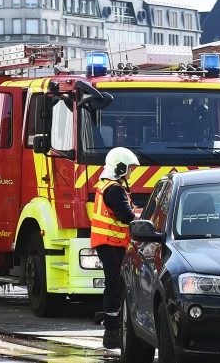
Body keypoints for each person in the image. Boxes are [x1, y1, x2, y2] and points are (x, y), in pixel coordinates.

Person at [91, 147, 141, 349]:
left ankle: (113, 327)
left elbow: (128, 212)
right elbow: (127, 216)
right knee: (115, 285)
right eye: (130, 169)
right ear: (120, 168)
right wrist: (146, 218)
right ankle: (112, 331)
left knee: (116, 285)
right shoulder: (114, 189)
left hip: (111, 243)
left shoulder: (110, 187)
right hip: (110, 244)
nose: (131, 173)